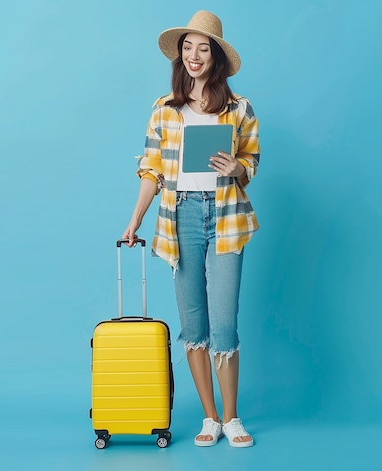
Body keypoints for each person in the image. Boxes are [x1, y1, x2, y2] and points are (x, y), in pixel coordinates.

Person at [122, 10, 260, 448]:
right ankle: (210, 417)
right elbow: (151, 170)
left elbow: (250, 163)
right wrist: (135, 220)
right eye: (188, 47)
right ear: (180, 55)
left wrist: (238, 166)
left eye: (204, 48)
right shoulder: (164, 110)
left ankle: (233, 417)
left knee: (224, 323)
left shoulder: (239, 109)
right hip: (179, 217)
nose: (195, 55)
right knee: (193, 321)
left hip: (226, 216)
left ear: (215, 56)